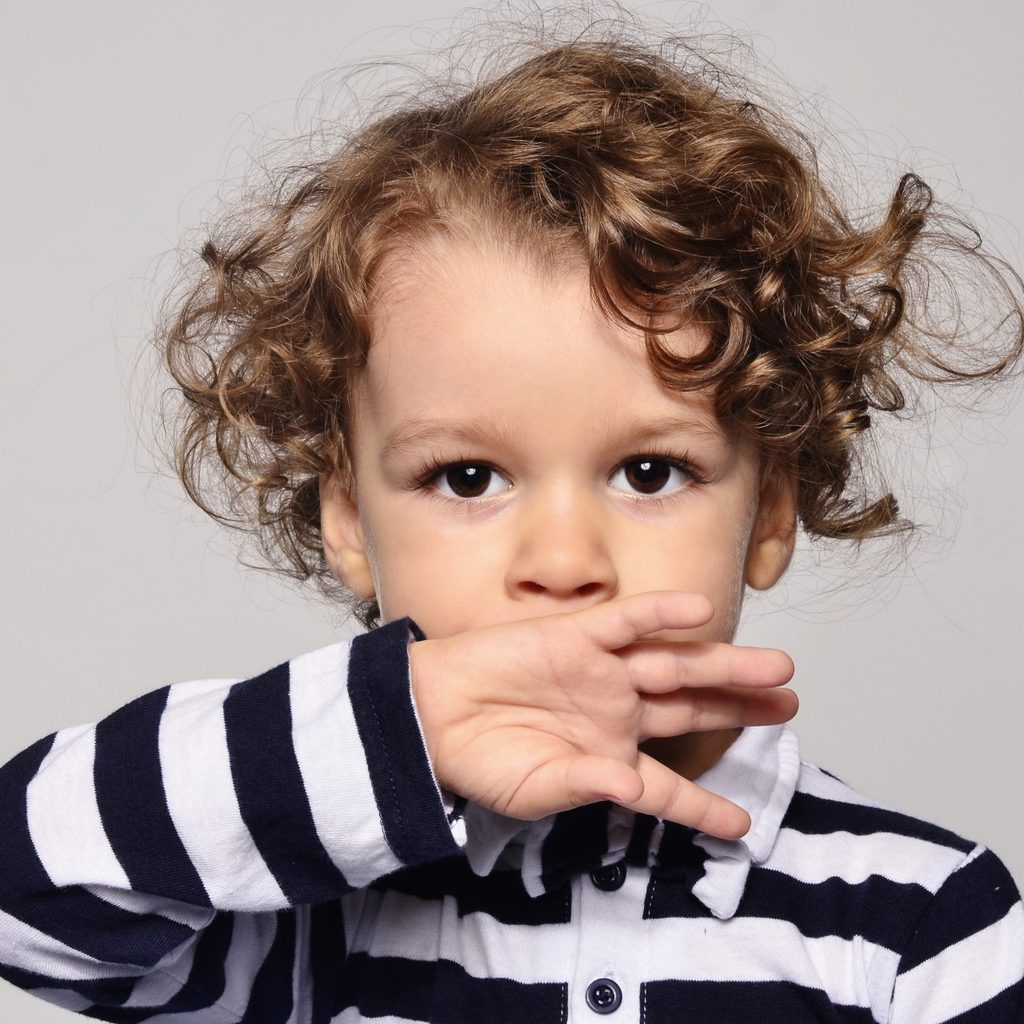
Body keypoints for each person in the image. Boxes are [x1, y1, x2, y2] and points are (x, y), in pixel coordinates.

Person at [1, 7, 1022, 1023]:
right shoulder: (309, 911)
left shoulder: (928, 923)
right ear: (350, 521)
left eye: (652, 471)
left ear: (769, 513)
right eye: (469, 478)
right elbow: (21, 890)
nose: (564, 561)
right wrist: (394, 735)